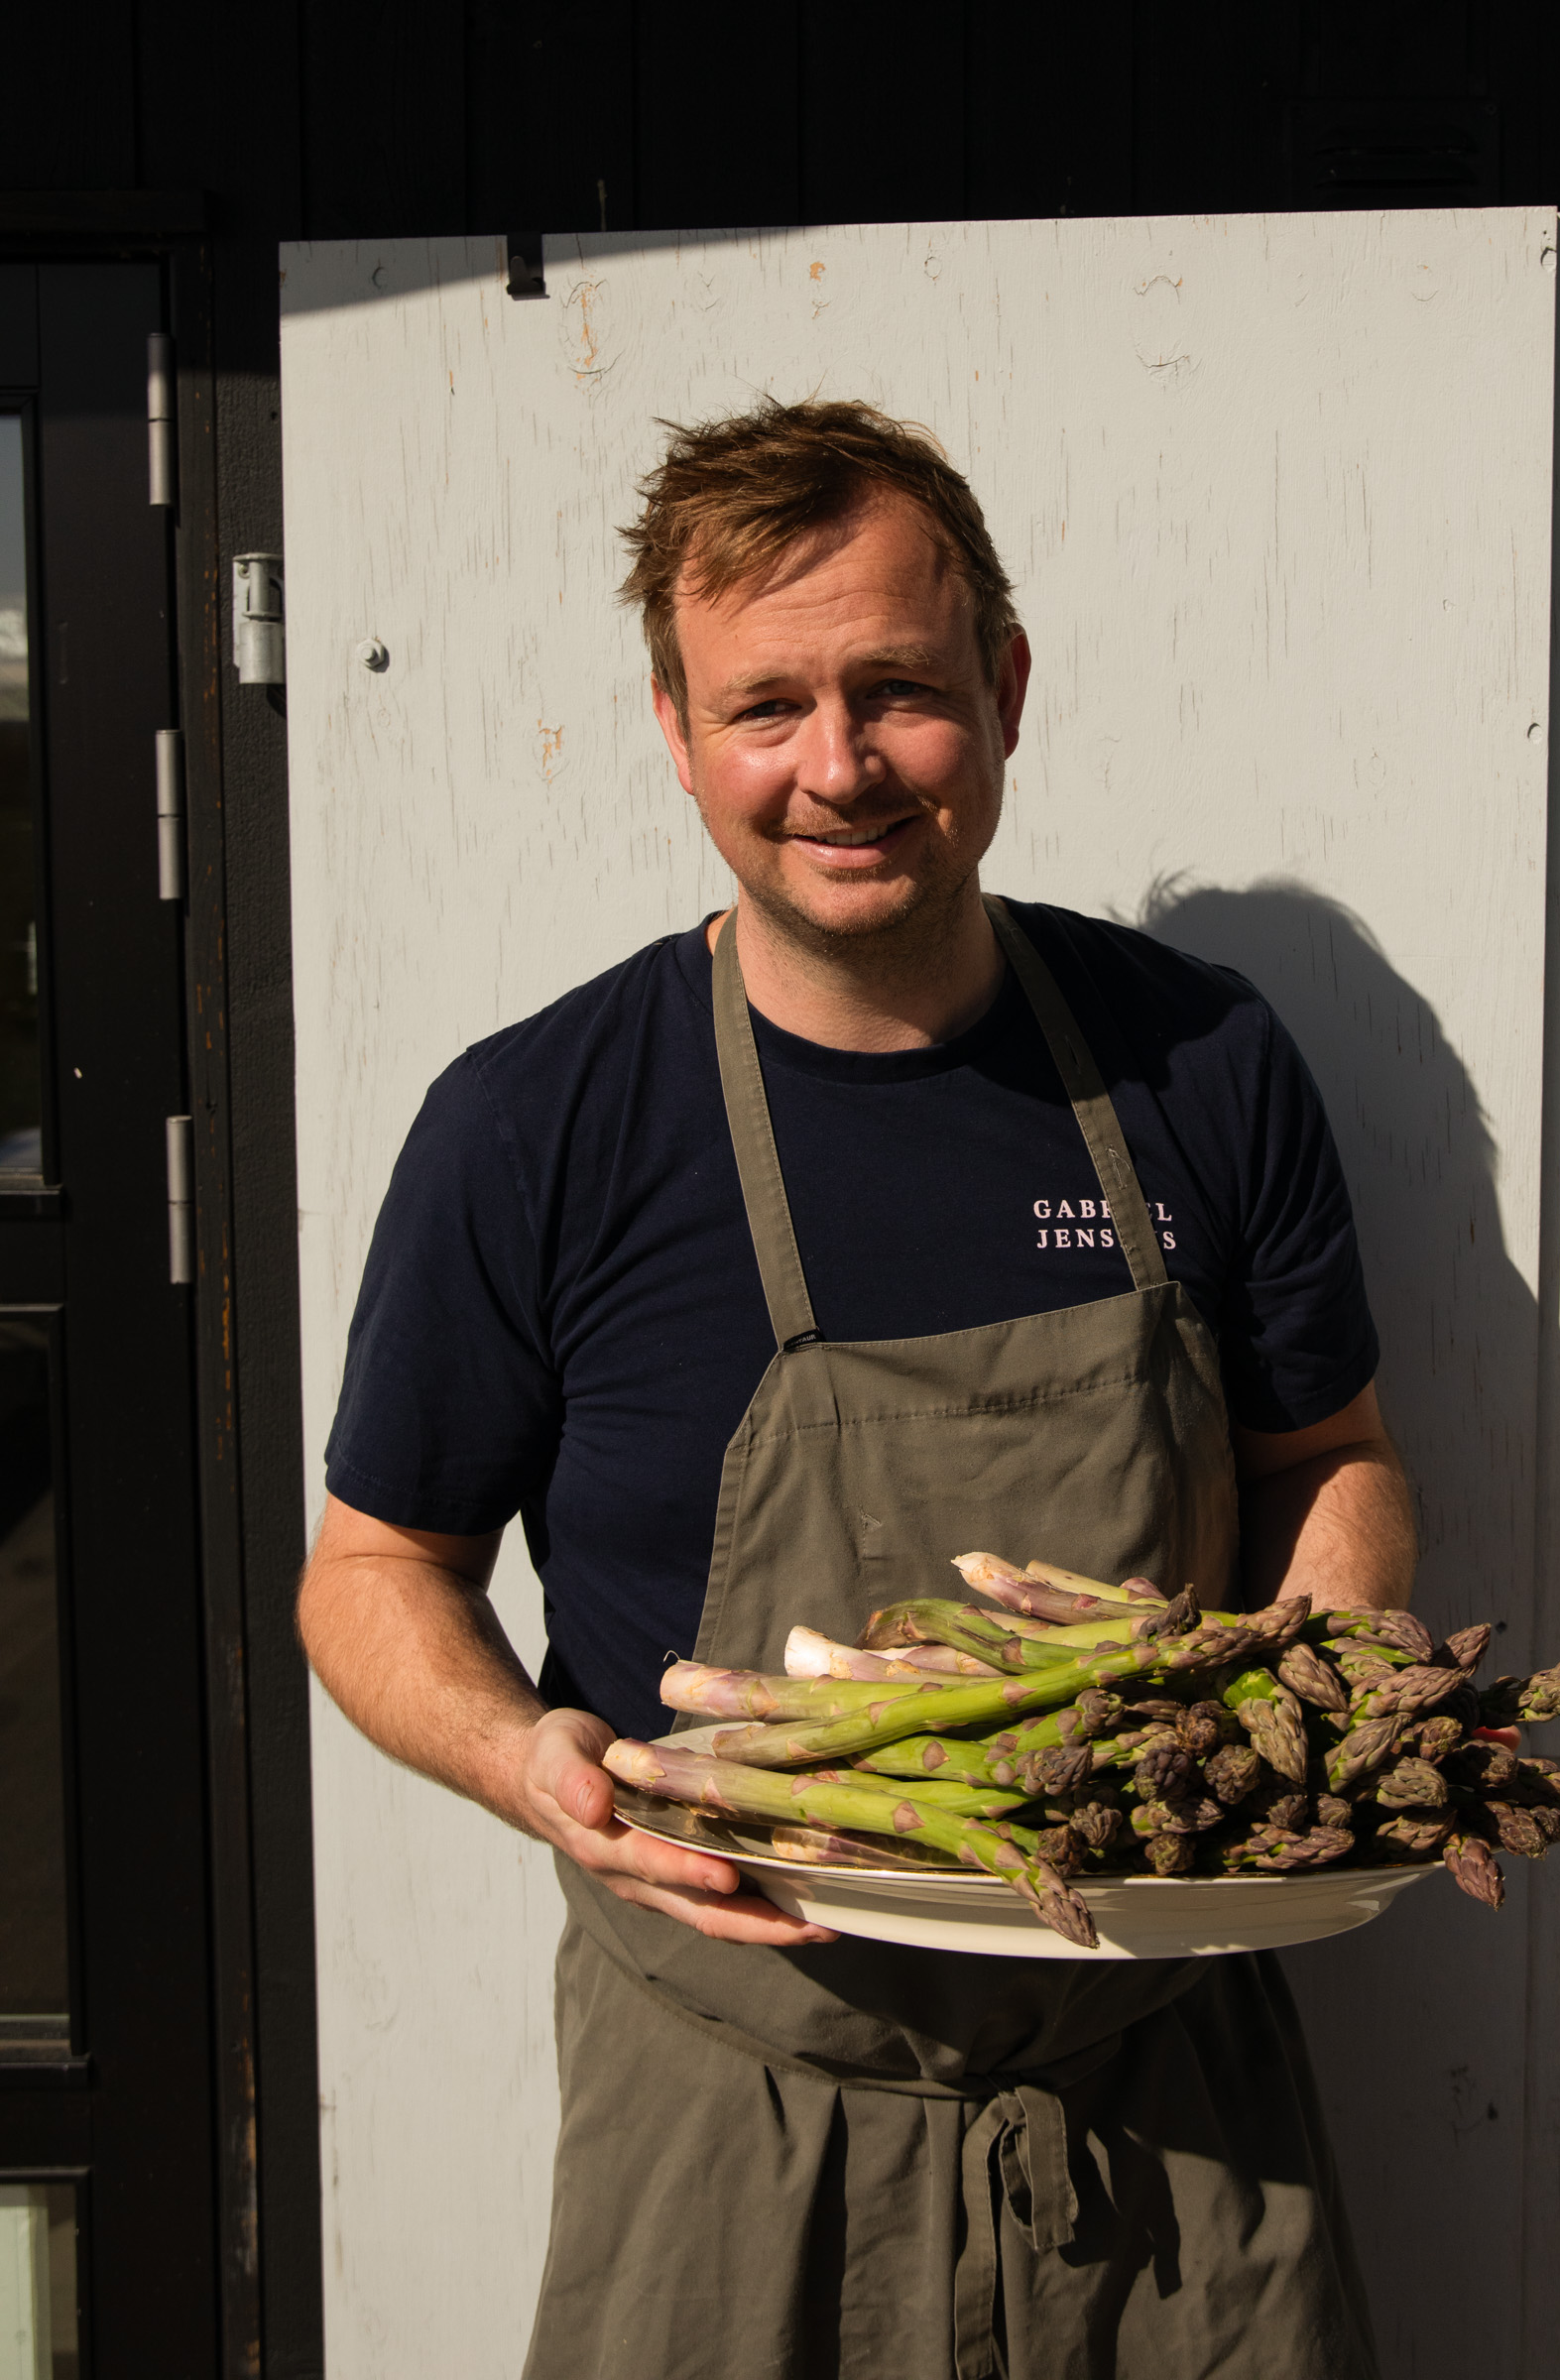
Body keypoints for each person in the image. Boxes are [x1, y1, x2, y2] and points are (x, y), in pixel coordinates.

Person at [298, 397, 1418, 2380]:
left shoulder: (1201, 1065)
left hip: (1161, 2083)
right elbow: (375, 1565)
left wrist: (1312, 1720)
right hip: (734, 2109)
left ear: (1001, 686)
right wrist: (521, 1760)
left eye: (897, 690)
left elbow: (1327, 1455)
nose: (837, 768)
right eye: (765, 708)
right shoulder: (537, 1125)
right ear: (673, 728)